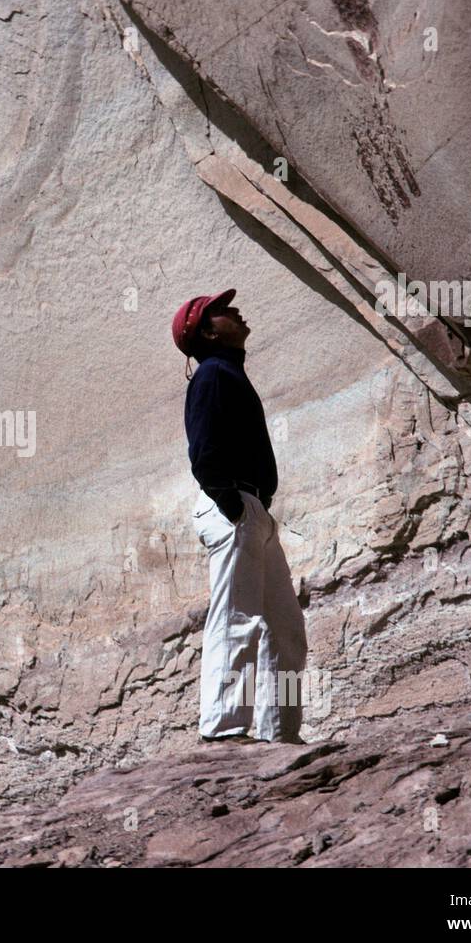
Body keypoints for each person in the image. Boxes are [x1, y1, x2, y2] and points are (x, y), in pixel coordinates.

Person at [173, 288, 308, 744]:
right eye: (222, 310)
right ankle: (223, 731)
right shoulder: (212, 374)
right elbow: (204, 452)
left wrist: (255, 509)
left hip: (252, 513)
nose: (236, 310)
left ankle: (280, 736)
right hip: (234, 509)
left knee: (286, 629)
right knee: (236, 618)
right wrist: (234, 506)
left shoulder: (225, 372)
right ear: (209, 331)